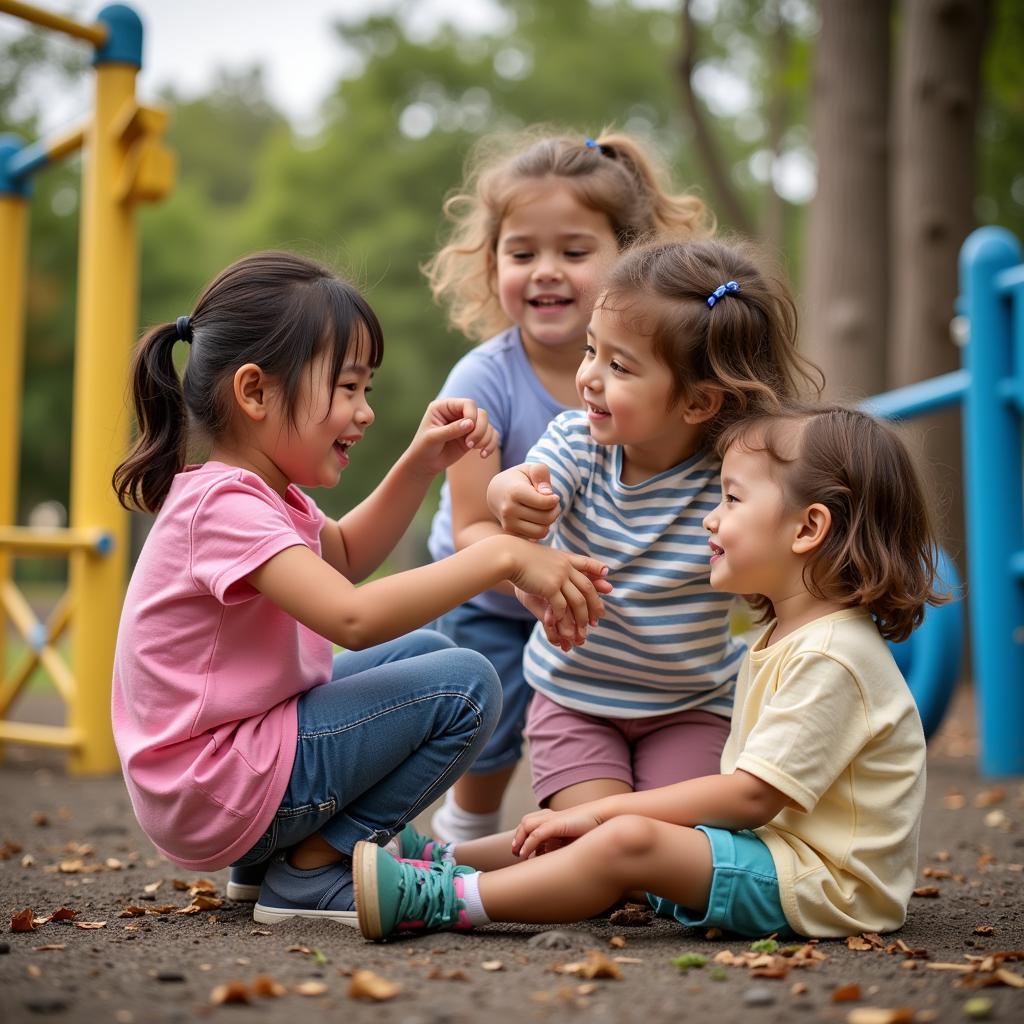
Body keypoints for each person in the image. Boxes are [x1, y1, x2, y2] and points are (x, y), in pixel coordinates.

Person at [110, 251, 612, 928]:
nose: (364, 411)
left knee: (426, 651)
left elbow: (342, 556)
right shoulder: (224, 505)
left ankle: (268, 865)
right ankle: (317, 870)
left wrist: (419, 463)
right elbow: (350, 617)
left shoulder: (255, 493)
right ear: (254, 392)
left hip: (223, 780)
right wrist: (501, 556)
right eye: (347, 388)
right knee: (464, 683)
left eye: (365, 389)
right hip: (216, 790)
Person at [353, 402, 946, 941]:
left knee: (624, 837)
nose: (710, 521)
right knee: (599, 835)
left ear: (809, 528)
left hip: (824, 887)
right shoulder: (794, 634)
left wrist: (603, 811)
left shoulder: (832, 653)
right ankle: (444, 857)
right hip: (778, 858)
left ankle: (445, 898)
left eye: (732, 500)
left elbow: (749, 797)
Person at [423, 129, 713, 843]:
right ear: (492, 264)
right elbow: (469, 531)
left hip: (597, 600)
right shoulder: (483, 379)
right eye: (522, 253)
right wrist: (527, 566)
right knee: (486, 728)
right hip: (487, 591)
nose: (545, 270)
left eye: (574, 252)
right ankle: (470, 820)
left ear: (631, 257)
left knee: (599, 712)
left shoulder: (667, 387)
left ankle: (622, 815)